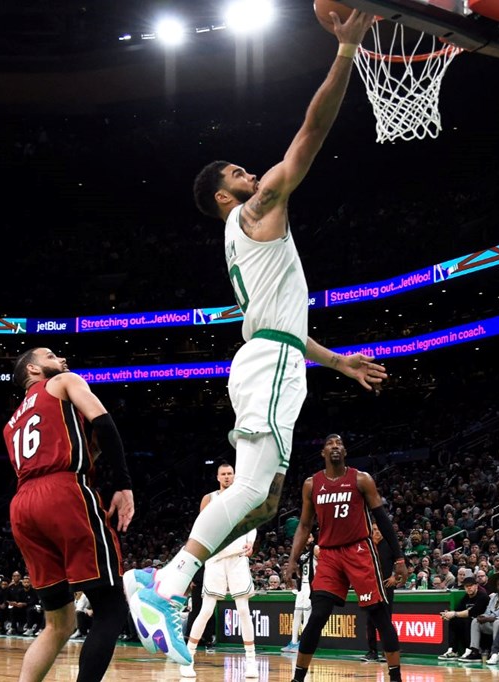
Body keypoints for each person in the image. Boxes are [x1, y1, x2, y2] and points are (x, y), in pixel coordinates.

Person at [128, 9, 385, 667]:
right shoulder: (256, 210)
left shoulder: (243, 235)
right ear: (223, 196)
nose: (252, 173)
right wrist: (347, 52)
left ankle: (166, 581)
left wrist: (338, 361)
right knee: (251, 491)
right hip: (270, 361)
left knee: (268, 502)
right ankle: (167, 583)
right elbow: (311, 132)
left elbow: (283, 325)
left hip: (273, 353)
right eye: (238, 172)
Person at [4, 347, 136, 682]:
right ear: (33, 369)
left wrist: (91, 452)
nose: (61, 359)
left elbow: (73, 447)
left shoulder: (11, 423)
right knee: (111, 608)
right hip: (63, 492)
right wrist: (123, 483)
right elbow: (104, 421)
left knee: (60, 622)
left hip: (23, 504)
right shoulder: (65, 381)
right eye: (50, 355)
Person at [282, 434, 409, 682]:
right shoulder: (312, 484)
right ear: (323, 453)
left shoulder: (361, 479)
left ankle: (396, 677)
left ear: (345, 452)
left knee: (378, 613)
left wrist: (399, 558)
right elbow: (305, 524)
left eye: (339, 444)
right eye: (329, 444)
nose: (335, 447)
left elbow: (382, 520)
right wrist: (292, 560)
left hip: (359, 550)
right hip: (328, 554)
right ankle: (298, 678)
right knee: (317, 615)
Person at [181, 463, 259, 679]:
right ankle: (188, 659)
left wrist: (251, 542)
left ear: (235, 475)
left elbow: (252, 523)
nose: (227, 477)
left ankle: (251, 662)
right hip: (215, 560)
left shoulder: (244, 497)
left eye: (230, 474)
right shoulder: (209, 498)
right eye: (223, 474)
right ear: (217, 477)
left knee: (243, 610)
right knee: (205, 611)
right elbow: (202, 527)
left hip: (237, 558)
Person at [363, 522, 401, 662]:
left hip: (386, 587)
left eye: (379, 529)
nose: (377, 532)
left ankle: (389, 650)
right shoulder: (366, 546)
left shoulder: (390, 545)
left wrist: (394, 577)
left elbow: (402, 564)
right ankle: (372, 651)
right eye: (374, 529)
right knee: (370, 620)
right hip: (370, 588)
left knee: (386, 619)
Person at [438, 575, 490, 659]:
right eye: (466, 586)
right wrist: (448, 614)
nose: (469, 588)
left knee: (467, 621)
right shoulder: (466, 597)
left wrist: (454, 614)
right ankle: (453, 650)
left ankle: (470, 650)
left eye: (471, 586)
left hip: (482, 622)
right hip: (470, 622)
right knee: (454, 621)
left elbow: (472, 612)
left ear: (476, 586)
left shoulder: (483, 596)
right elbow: (458, 609)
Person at [281, 538, 316, 655]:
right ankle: (294, 641)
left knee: (306, 615)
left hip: (311, 586)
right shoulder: (301, 552)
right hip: (302, 586)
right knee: (296, 614)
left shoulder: (315, 549)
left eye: (310, 536)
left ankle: (304, 643)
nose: (307, 538)